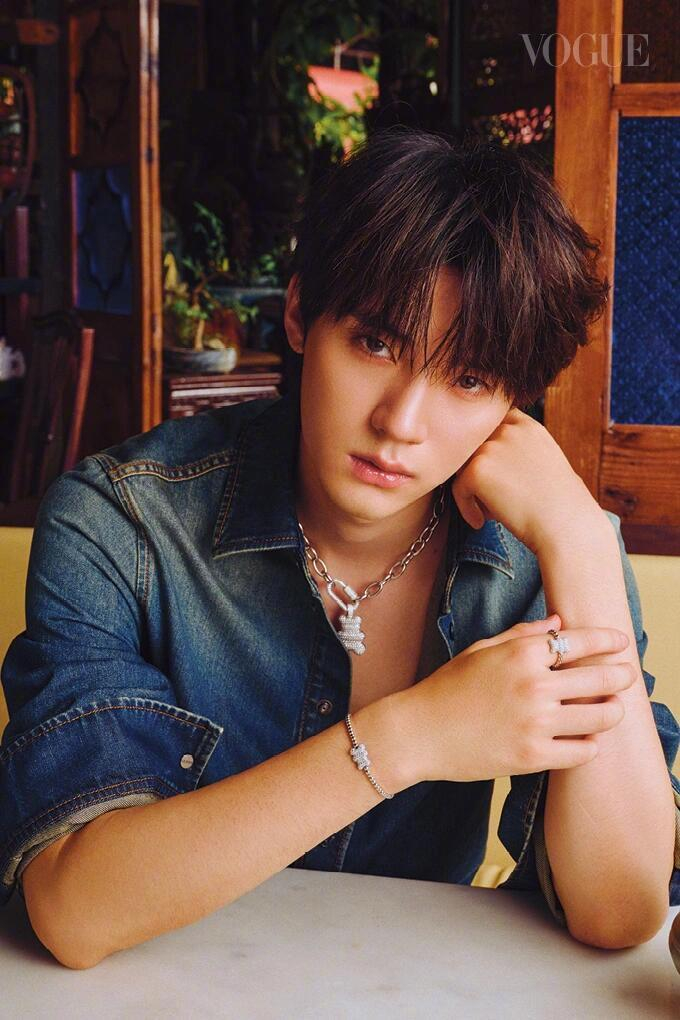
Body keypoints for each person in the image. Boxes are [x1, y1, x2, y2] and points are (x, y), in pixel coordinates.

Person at [1, 128, 678, 970]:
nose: (401, 423)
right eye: (376, 344)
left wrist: (581, 538)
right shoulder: (122, 523)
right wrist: (414, 736)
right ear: (298, 315)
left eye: (468, 378)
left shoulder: (548, 543)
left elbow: (621, 909)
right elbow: (74, 910)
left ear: (514, 398)